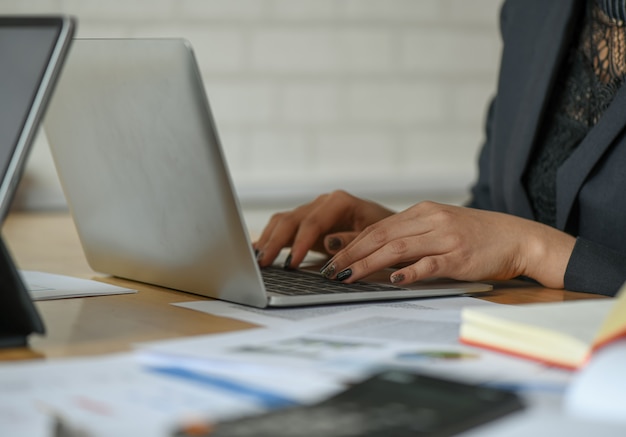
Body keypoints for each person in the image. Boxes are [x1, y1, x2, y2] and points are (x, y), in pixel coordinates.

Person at [254, 0, 626, 298]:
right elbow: (495, 213)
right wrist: (404, 240)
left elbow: (518, 239)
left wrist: (532, 248)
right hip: (507, 339)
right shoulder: (531, 10)